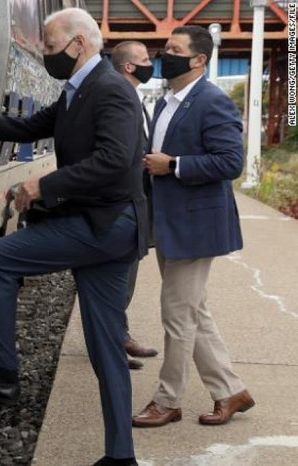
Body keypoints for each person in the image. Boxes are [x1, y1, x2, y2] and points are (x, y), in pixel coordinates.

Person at [0, 8, 148, 466]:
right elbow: (29, 126)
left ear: (79, 44)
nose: (46, 55)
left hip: (107, 225)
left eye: (52, 47)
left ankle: (2, 371)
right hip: (108, 227)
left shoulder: (111, 90)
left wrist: (43, 184)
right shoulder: (79, 90)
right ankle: (121, 456)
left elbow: (115, 160)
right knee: (105, 346)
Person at [132, 25, 254, 428]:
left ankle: (168, 401)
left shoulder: (212, 102)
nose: (166, 54)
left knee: (177, 316)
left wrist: (175, 165)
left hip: (196, 228)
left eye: (174, 49)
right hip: (169, 223)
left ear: (199, 59)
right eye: (166, 47)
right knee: (193, 313)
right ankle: (230, 391)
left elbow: (230, 162)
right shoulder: (166, 102)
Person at [111, 41, 160, 371]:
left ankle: (120, 335)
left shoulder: (136, 97)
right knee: (115, 278)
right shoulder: (117, 96)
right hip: (119, 205)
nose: (150, 64)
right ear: (129, 66)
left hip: (138, 203)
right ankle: (111, 344)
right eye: (144, 60)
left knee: (127, 276)